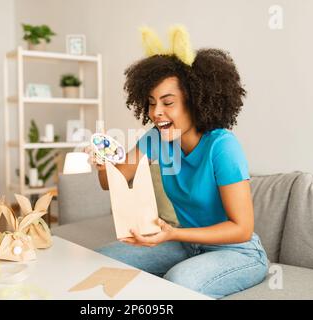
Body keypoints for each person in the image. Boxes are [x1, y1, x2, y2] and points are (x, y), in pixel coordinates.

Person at [89, 25, 268, 299]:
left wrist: (172, 234)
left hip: (238, 252)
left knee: (177, 281)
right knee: (102, 260)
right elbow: (111, 182)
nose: (155, 112)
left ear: (193, 101)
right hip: (187, 244)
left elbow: (241, 228)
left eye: (167, 102)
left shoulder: (222, 147)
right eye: (150, 103)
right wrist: (104, 165)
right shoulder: (157, 139)